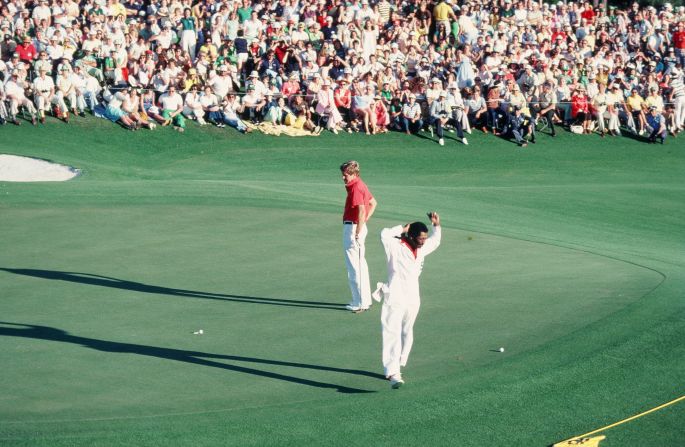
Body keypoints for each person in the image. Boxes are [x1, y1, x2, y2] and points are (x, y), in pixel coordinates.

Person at [375, 211, 441, 389]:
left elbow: (435, 242)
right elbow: (383, 234)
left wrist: (436, 225)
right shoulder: (395, 245)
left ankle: (401, 361)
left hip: (412, 296)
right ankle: (393, 372)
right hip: (394, 295)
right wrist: (402, 228)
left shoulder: (422, 247)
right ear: (410, 236)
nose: (423, 241)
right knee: (391, 332)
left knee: (407, 330)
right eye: (420, 238)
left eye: (425, 238)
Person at [340, 160, 377, 313]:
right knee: (360, 265)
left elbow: (362, 210)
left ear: (353, 174)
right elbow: (374, 203)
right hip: (357, 226)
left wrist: (358, 229)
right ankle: (364, 300)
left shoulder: (356, 187)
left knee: (355, 267)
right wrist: (363, 223)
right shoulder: (360, 184)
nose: (343, 178)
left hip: (353, 228)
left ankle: (359, 302)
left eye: (345, 175)